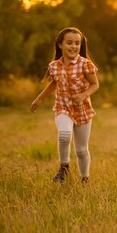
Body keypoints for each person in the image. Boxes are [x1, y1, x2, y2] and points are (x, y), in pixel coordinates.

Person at [31, 27, 99, 184]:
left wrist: (83, 95)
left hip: (82, 110)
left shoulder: (85, 64)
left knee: (81, 150)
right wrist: (39, 99)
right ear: (60, 44)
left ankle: (85, 179)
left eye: (77, 43)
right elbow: (54, 84)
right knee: (64, 135)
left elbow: (95, 84)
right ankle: (64, 168)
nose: (74, 46)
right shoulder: (54, 66)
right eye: (69, 43)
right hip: (63, 108)